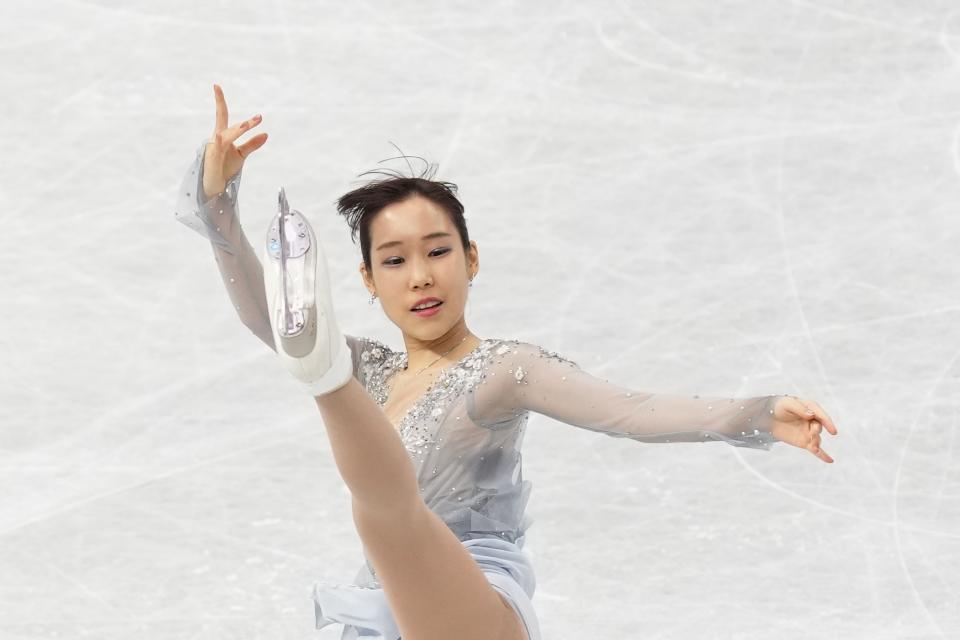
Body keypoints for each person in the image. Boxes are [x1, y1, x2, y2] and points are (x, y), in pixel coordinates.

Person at [174, 84, 839, 640]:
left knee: (387, 510)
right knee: (381, 507)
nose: (420, 278)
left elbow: (630, 413)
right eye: (395, 260)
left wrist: (755, 415)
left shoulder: (504, 368)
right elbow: (266, 314)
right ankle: (320, 372)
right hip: (380, 609)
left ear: (471, 259)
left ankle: (321, 381)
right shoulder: (375, 370)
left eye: (437, 251)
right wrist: (219, 205)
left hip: (473, 603)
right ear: (369, 282)